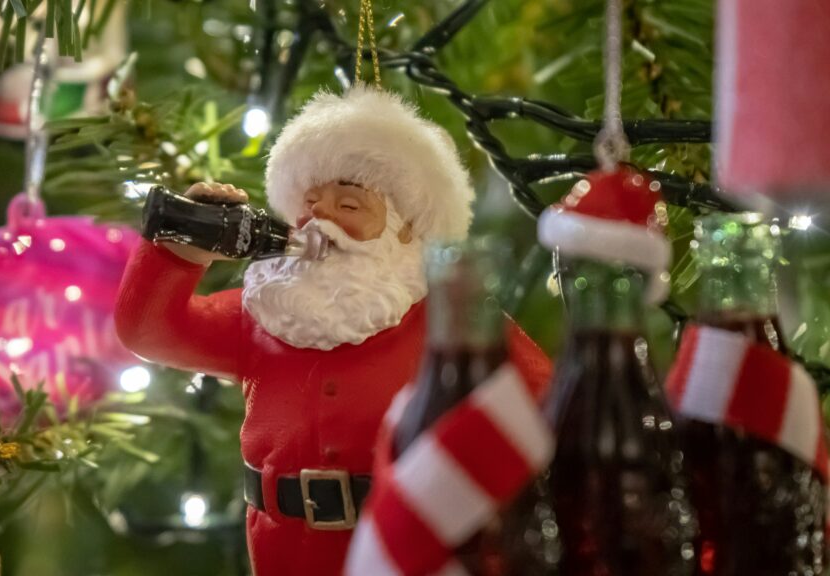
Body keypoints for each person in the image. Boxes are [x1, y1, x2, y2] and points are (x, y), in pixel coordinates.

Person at [114, 86, 552, 575]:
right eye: (311, 203)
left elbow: (552, 407)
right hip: (281, 551)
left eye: (349, 206)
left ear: (404, 231)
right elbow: (147, 331)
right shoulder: (264, 314)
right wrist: (179, 252)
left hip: (402, 549)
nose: (320, 219)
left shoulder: (451, 319)